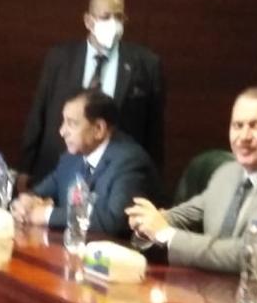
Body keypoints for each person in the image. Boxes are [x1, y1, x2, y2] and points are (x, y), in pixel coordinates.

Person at [127, 87, 257, 272]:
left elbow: (249, 256)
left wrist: (165, 234)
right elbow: (183, 216)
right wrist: (146, 221)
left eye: (256, 125)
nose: (244, 137)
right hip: (209, 287)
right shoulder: (227, 173)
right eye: (238, 126)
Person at [18, 0, 165, 186]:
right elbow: (38, 115)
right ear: (88, 21)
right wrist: (25, 168)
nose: (114, 23)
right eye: (105, 17)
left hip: (115, 178)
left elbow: (154, 134)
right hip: (57, 169)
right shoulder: (60, 59)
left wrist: (153, 182)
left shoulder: (146, 64)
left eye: (119, 17)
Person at [12, 90, 163, 235]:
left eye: (72, 123)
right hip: (71, 246)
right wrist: (26, 202)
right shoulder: (71, 157)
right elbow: (40, 191)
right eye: (63, 122)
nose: (62, 131)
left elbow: (114, 221)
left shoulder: (130, 161)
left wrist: (47, 215)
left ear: (98, 129)